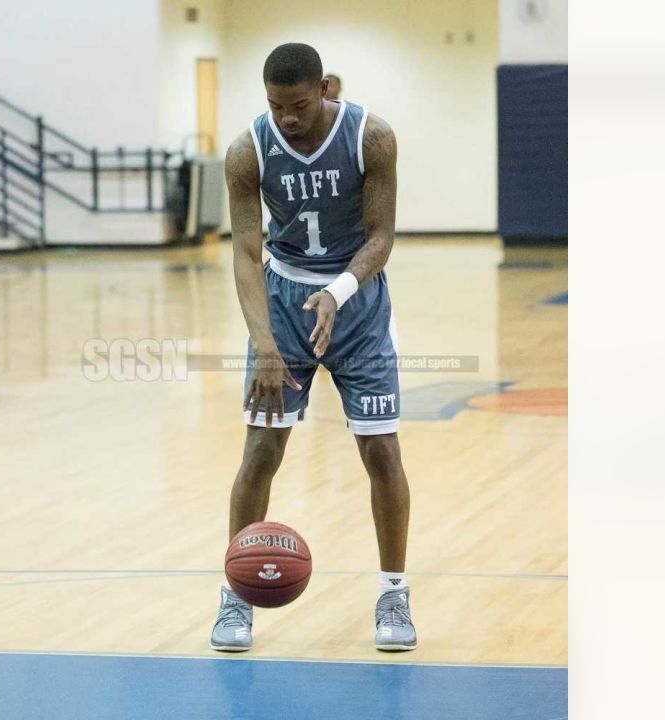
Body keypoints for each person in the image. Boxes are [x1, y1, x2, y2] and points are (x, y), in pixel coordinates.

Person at [211, 43, 415, 653]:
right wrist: (265, 343)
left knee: (381, 453)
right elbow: (247, 255)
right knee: (261, 450)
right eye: (276, 106)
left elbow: (381, 237)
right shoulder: (248, 150)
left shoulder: (371, 136)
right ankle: (235, 596)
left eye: (299, 104)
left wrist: (339, 290)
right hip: (283, 304)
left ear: (324, 88)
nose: (288, 119)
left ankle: (394, 591)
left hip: (358, 306)